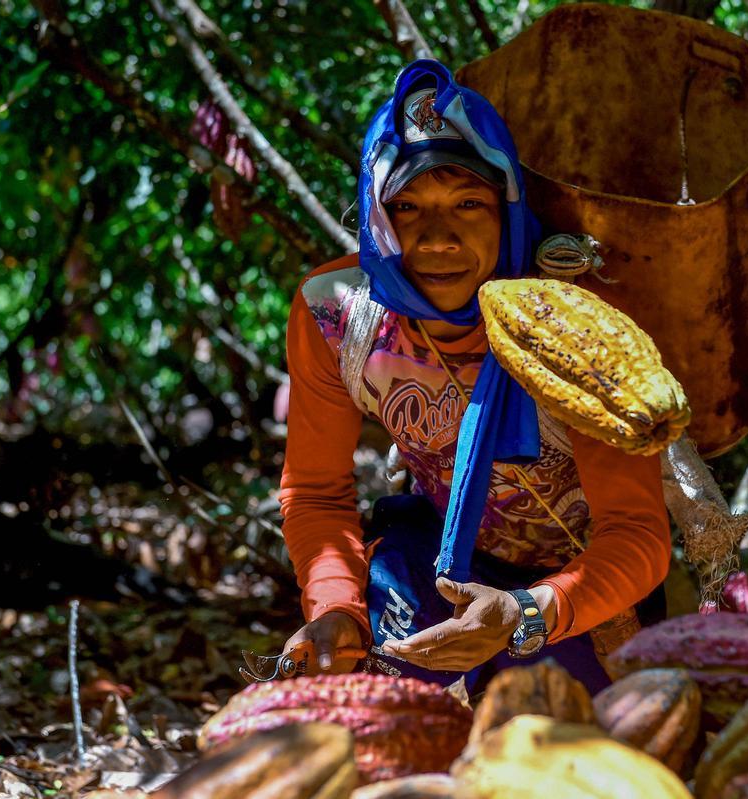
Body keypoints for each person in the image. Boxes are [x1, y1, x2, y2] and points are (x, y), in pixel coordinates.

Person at [277, 60, 670, 693]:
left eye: (468, 204)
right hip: (432, 561)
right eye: (406, 207)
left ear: (508, 210)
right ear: (377, 219)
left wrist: (527, 614)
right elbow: (316, 492)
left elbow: (637, 533)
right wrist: (336, 610)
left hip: (579, 584)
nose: (437, 239)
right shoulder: (337, 315)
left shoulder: (573, 328)